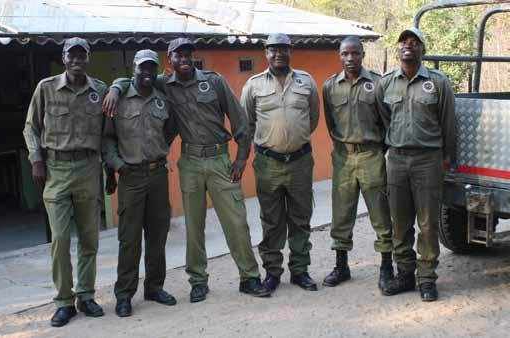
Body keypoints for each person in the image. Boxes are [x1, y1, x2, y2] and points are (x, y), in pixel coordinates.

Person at [103, 38, 271, 303]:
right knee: (194, 226)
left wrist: (240, 159)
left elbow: (240, 121)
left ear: (193, 57)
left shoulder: (214, 81)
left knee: (236, 221)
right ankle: (198, 281)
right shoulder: (163, 84)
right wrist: (114, 87)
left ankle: (249, 277)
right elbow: (135, 80)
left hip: (219, 160)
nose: (184, 59)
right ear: (169, 59)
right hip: (190, 161)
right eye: (178, 55)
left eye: (188, 55)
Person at [23, 37, 107, 327]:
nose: (77, 60)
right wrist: (36, 159)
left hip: (88, 168)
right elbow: (30, 127)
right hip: (56, 169)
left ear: (88, 58)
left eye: (82, 55)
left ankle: (86, 294)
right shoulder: (46, 88)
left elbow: (108, 133)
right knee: (59, 239)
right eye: (72, 55)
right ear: (63, 58)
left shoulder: (100, 90)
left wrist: (109, 169)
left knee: (89, 238)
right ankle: (63, 301)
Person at [376, 27, 455, 301]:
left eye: (414, 42)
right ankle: (405, 274)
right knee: (399, 222)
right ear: (397, 50)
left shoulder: (438, 82)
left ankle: (427, 278)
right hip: (396, 160)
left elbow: (448, 123)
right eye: (403, 43)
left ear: (423, 49)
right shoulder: (386, 83)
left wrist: (445, 160)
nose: (407, 46)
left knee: (428, 223)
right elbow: (385, 118)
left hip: (427, 160)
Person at [241, 33, 320, 293]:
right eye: (273, 50)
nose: (278, 54)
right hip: (268, 164)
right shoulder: (253, 85)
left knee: (300, 218)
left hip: (300, 161)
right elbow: (247, 122)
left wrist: (293, 139)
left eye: (283, 49)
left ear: (290, 52)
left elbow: (313, 118)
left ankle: (300, 271)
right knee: (271, 220)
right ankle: (272, 272)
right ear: (266, 53)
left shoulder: (306, 81)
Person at [103, 50, 177, 317]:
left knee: (157, 236)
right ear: (132, 68)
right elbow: (108, 138)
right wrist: (117, 164)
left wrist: (159, 149)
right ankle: (124, 295)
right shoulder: (119, 98)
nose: (146, 73)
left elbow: (170, 129)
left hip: (158, 176)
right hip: (131, 177)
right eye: (141, 68)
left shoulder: (161, 99)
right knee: (129, 240)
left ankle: (155, 288)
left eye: (150, 69)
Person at [322, 36, 393, 291]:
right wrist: (344, 147)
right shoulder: (330, 86)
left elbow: (387, 122)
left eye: (355, 53)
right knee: (341, 214)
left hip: (372, 155)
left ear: (363, 55)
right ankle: (341, 266)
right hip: (343, 157)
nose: (350, 59)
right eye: (345, 54)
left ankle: (387, 267)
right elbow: (331, 124)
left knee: (380, 214)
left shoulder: (377, 83)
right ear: (339, 56)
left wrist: (376, 150)